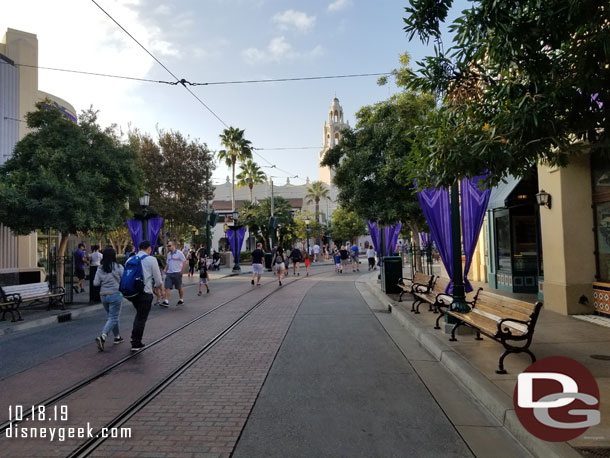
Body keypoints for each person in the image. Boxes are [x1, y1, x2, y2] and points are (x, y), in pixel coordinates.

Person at [130, 240, 163, 351]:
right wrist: (159, 289)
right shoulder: (151, 259)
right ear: (149, 249)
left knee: (139, 315)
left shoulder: (131, 259)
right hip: (145, 292)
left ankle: (135, 339)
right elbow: (158, 280)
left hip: (133, 293)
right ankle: (136, 342)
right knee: (141, 317)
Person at [94, 247, 124, 351]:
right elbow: (124, 280)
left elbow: (95, 283)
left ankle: (117, 337)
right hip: (115, 294)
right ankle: (103, 337)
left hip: (103, 295)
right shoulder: (118, 267)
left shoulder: (100, 268)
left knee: (112, 317)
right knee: (113, 317)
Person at [162, 242, 187, 307]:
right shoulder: (169, 254)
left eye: (170, 246)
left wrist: (182, 271)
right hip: (169, 273)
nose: (169, 247)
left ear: (174, 246)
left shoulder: (179, 253)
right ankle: (166, 301)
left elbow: (185, 262)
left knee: (179, 287)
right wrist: (165, 269)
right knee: (167, 287)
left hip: (177, 273)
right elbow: (168, 263)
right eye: (168, 246)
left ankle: (181, 299)